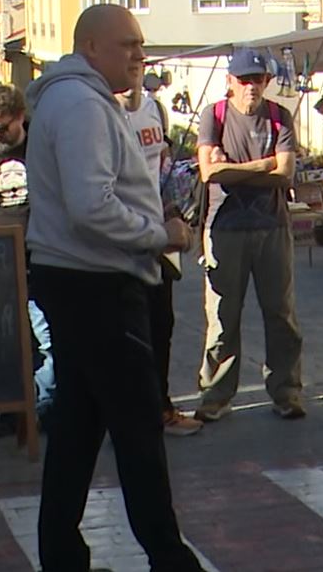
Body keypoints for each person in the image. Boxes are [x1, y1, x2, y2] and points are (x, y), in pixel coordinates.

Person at [24, 4, 203, 572]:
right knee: (137, 427)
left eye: (141, 45)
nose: (139, 55)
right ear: (92, 47)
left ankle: (62, 555)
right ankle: (169, 559)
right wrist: (159, 235)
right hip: (97, 284)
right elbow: (90, 206)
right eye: (128, 44)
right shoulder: (80, 103)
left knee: (79, 427)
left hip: (84, 279)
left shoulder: (81, 99)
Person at [193, 48, 303, 423]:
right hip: (223, 229)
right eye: (244, 80)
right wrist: (264, 165)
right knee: (223, 317)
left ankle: (286, 392)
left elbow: (285, 174)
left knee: (281, 314)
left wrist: (233, 168)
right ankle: (215, 395)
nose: (251, 87)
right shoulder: (215, 116)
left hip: (272, 227)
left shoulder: (279, 117)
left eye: (257, 80)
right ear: (230, 83)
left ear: (267, 82)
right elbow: (209, 173)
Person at [0, 85, 53, 440]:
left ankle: (42, 406)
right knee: (6, 341)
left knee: (47, 340)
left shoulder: (41, 145)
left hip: (38, 256)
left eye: (2, 128)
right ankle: (10, 412)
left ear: (20, 118)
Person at [122, 75, 202, 437]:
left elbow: (162, 165)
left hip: (160, 233)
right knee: (128, 332)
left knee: (162, 324)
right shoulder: (100, 114)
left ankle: (162, 406)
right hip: (123, 237)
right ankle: (130, 415)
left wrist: (171, 210)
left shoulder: (153, 109)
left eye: (138, 64)